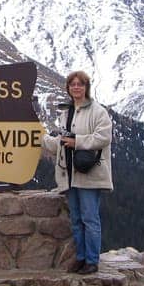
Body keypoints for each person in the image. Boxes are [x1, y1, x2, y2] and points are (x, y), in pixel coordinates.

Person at [42, 71, 113, 275]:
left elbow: (103, 137)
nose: (76, 87)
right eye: (72, 84)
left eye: (80, 84)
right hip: (70, 175)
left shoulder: (98, 111)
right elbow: (62, 143)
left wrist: (78, 142)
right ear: (68, 88)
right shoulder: (67, 112)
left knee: (90, 219)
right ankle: (80, 259)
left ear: (86, 87)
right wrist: (42, 139)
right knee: (76, 220)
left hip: (89, 173)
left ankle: (92, 261)